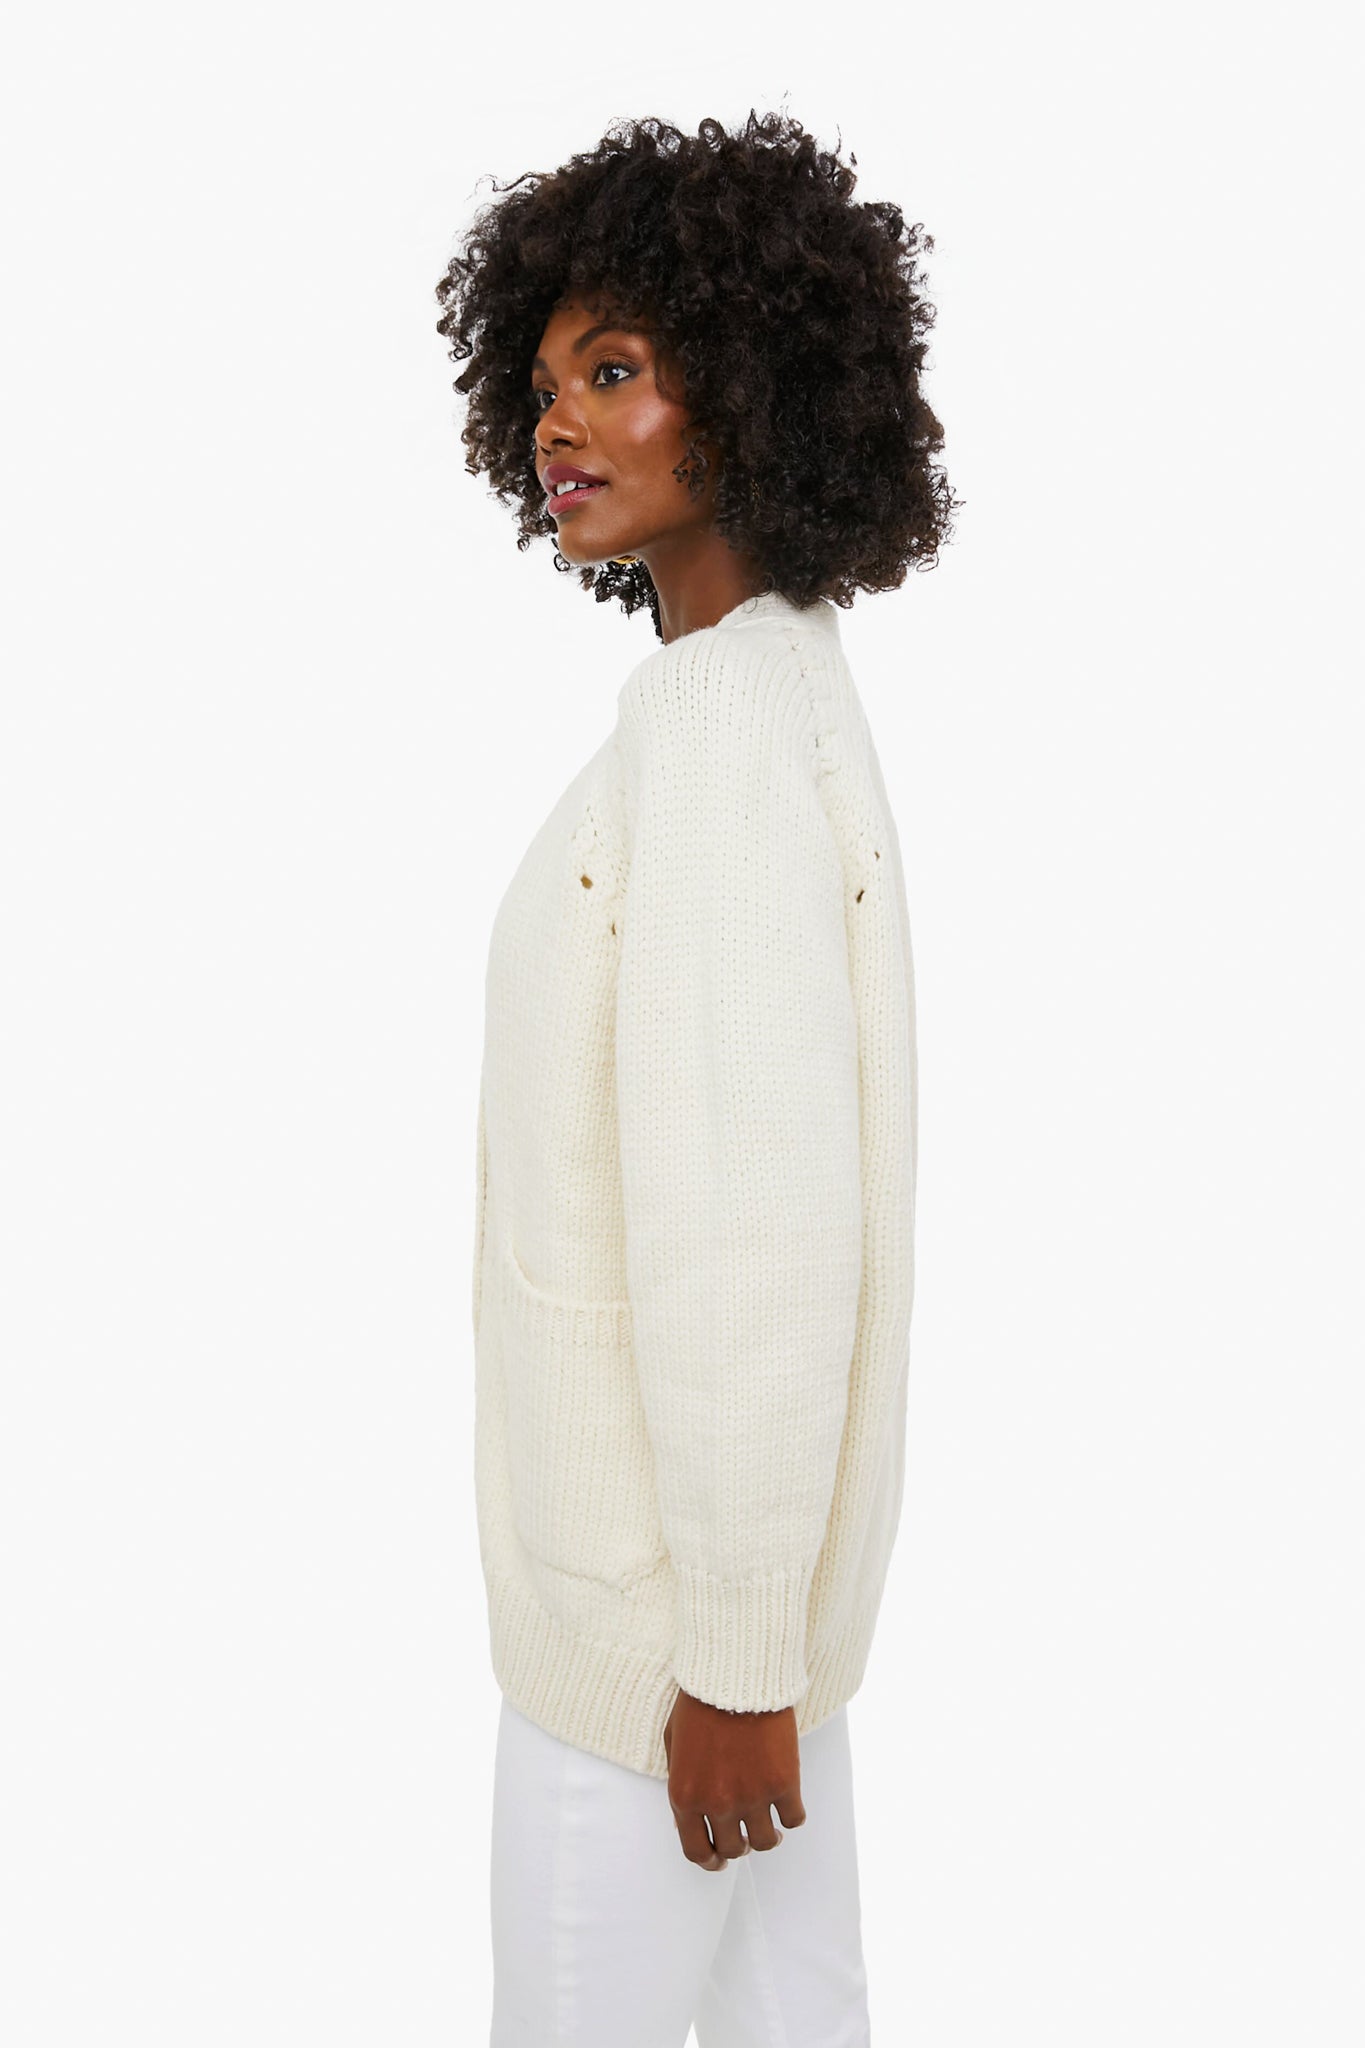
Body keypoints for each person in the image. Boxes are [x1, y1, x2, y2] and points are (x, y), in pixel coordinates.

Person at [434, 106, 958, 2046]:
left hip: (654, 1668)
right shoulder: (772, 684)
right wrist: (763, 1652)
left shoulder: (718, 736)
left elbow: (754, 1223)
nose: (560, 425)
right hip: (742, 1646)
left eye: (618, 371)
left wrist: (728, 1662)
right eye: (546, 384)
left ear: (748, 394)